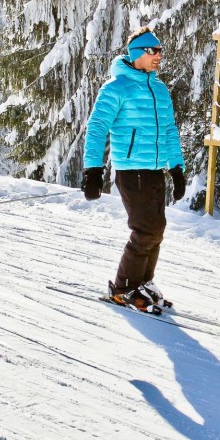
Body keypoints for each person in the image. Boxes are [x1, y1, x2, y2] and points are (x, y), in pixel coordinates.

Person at [81, 28, 186, 312]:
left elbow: (169, 131)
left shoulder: (159, 89)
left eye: (160, 50)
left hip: (154, 171)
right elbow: (96, 128)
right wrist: (93, 170)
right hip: (131, 171)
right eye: (154, 51)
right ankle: (124, 287)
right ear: (138, 54)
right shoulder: (116, 88)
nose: (159, 56)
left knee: (157, 230)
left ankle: (143, 282)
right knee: (144, 230)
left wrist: (177, 168)